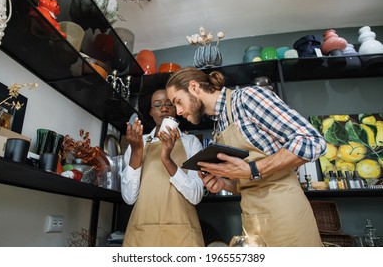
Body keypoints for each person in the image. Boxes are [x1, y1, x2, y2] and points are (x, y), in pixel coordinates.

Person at [165, 67, 327, 247]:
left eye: (178, 101)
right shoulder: (220, 124)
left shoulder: (246, 98)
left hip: (284, 212)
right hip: (251, 218)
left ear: (194, 87)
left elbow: (311, 141)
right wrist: (225, 184)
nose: (178, 111)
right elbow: (249, 182)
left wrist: (253, 169)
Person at [120, 88, 205, 247]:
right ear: (150, 111)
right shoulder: (138, 143)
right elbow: (129, 198)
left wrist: (167, 159)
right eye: (157, 105)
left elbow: (196, 195)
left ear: (177, 109)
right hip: (144, 235)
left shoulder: (191, 142)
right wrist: (137, 151)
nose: (164, 109)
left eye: (169, 104)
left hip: (182, 237)